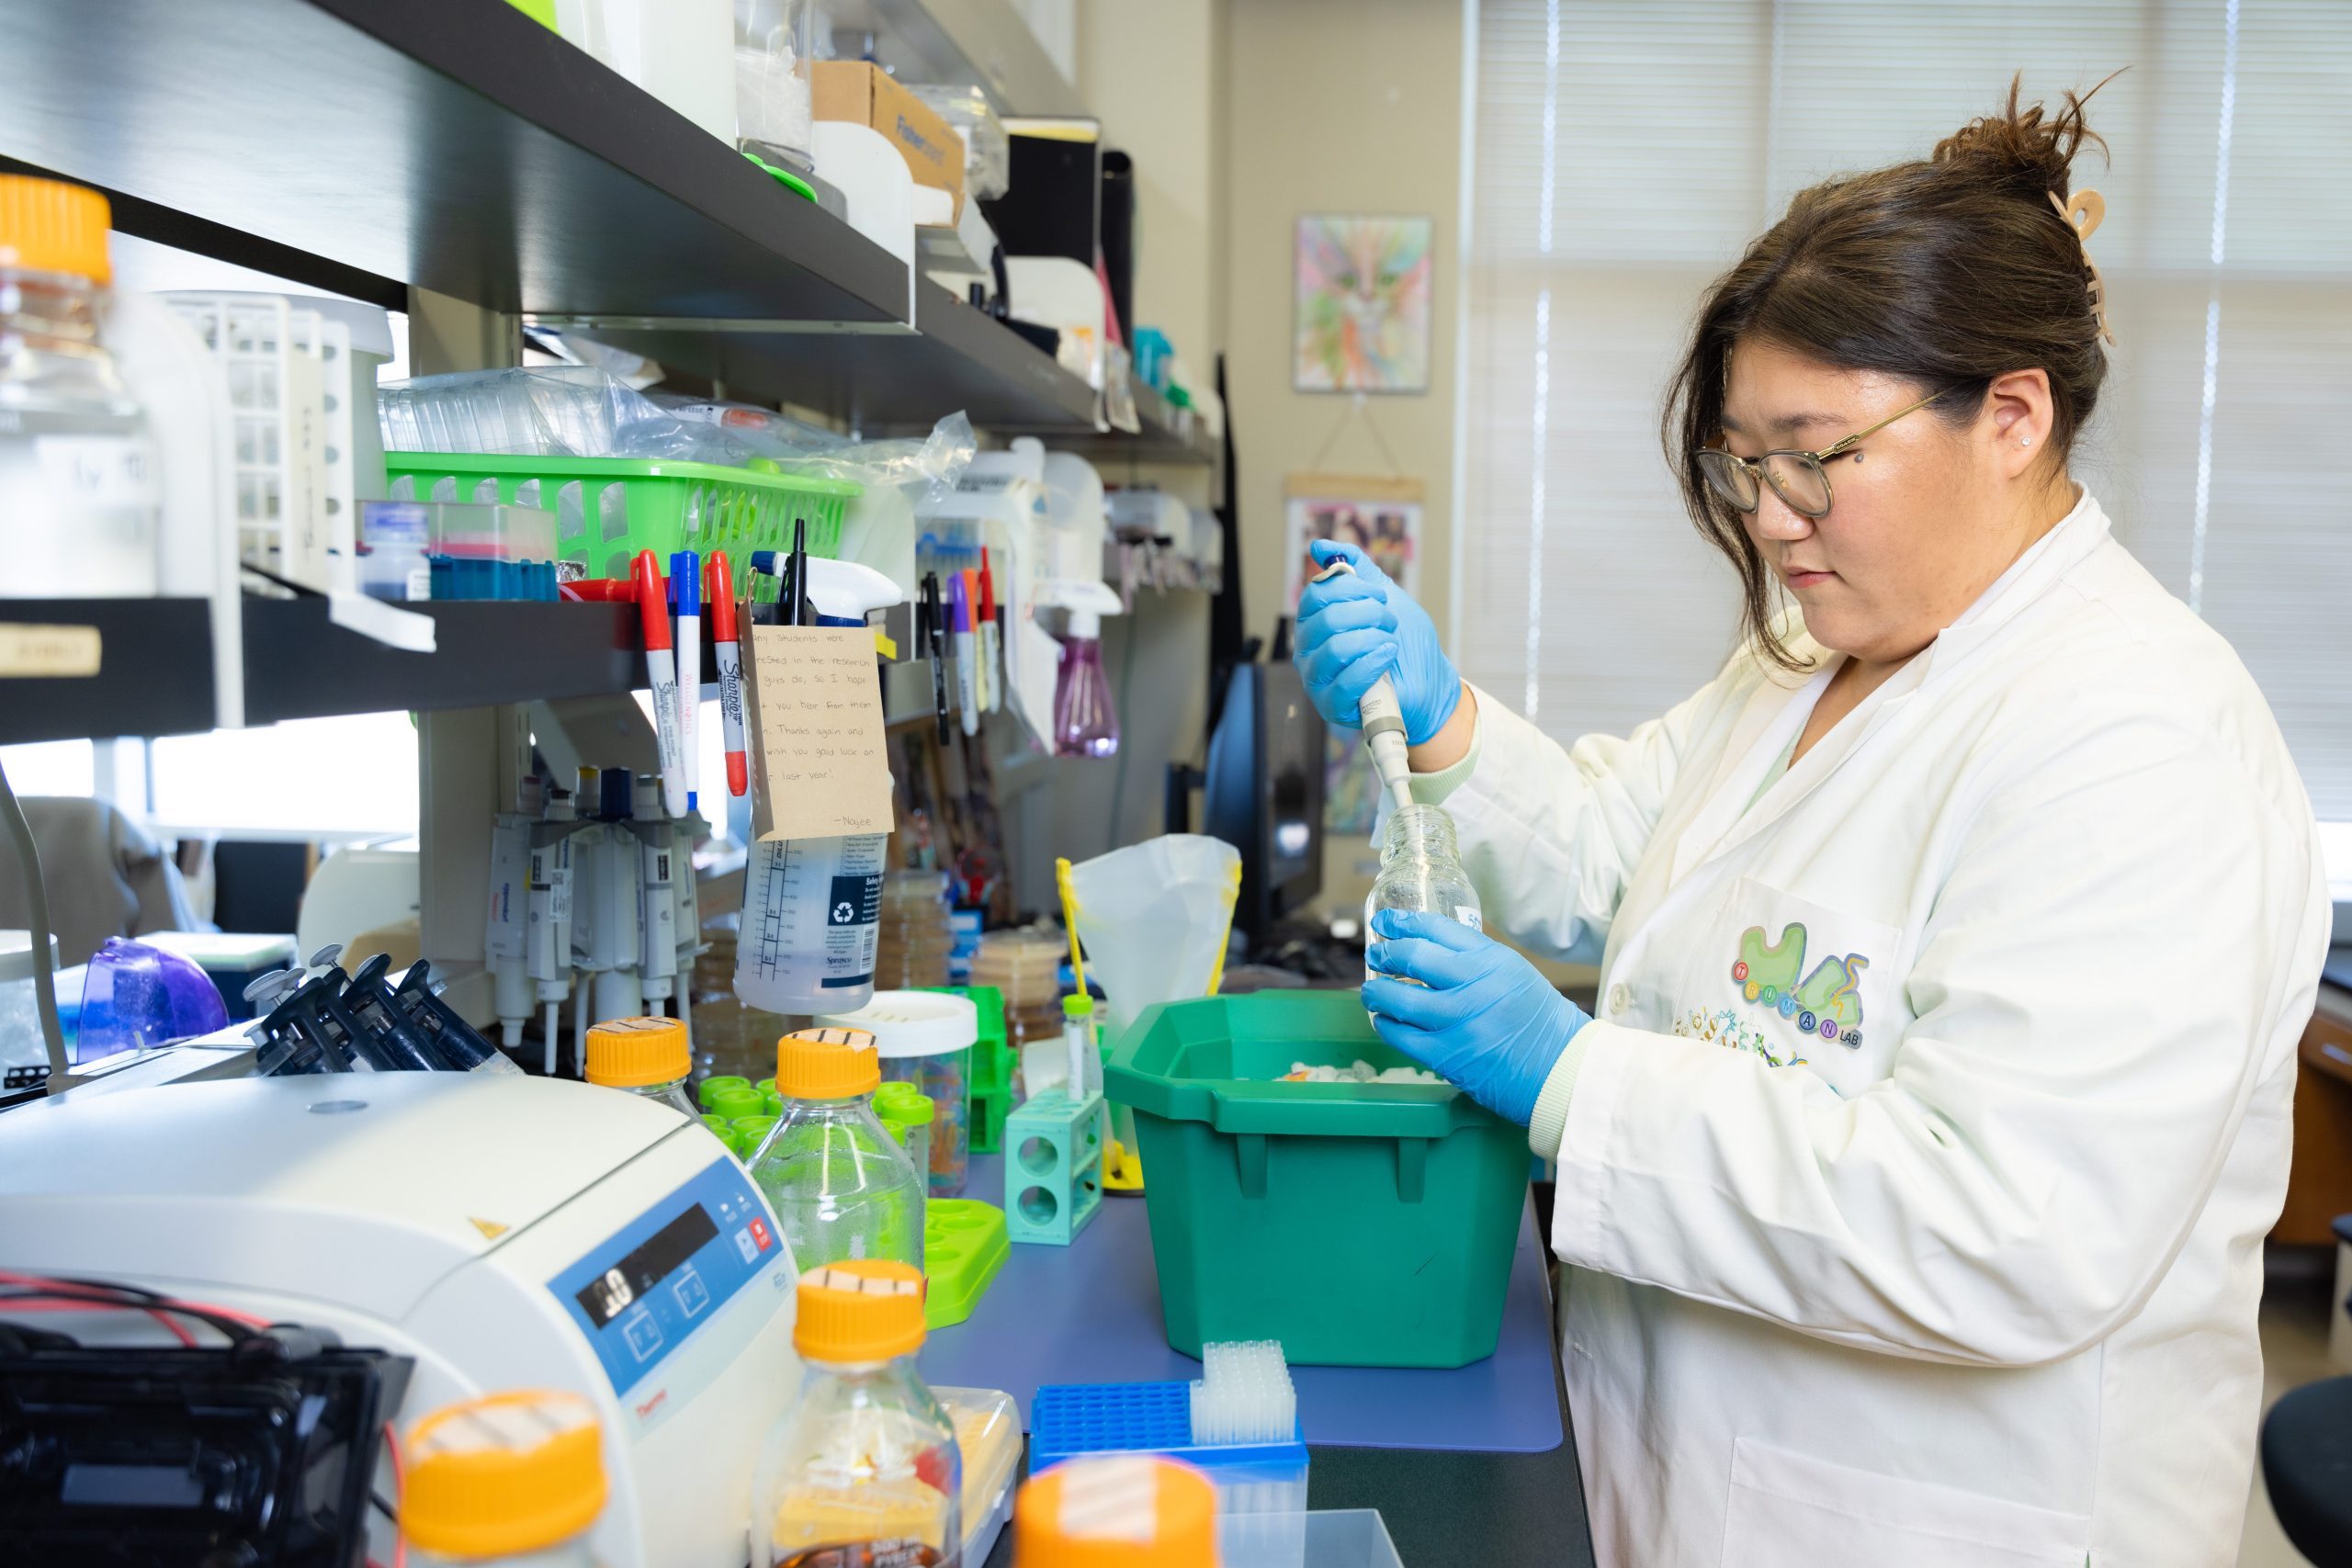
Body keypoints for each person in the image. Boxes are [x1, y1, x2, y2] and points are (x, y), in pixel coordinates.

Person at [1295, 82, 2326, 1568]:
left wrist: (1577, 1079)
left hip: (1931, 1521)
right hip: (1692, 1462)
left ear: (2014, 417)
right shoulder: (1808, 657)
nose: (1772, 516)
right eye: (1745, 460)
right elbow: (1615, 859)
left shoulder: (2136, 737)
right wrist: (1444, 712)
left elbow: (2001, 1225)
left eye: (1816, 454)